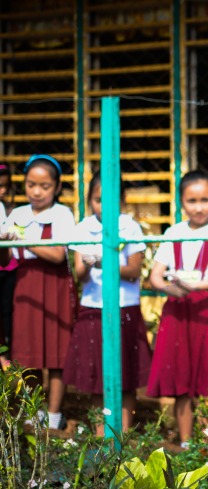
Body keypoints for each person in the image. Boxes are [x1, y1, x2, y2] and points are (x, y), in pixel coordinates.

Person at [146, 170, 208, 447]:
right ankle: (186, 443)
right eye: (192, 200)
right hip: (177, 310)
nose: (198, 207)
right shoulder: (174, 232)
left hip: (207, 310)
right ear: (181, 202)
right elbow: (155, 275)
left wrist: (201, 285)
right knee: (181, 378)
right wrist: (169, 287)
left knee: (207, 380)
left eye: (205, 200)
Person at [63, 173, 151, 433]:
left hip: (125, 306)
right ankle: (103, 438)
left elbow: (134, 270)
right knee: (96, 376)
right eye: (99, 200)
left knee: (126, 375)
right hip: (93, 306)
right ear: (90, 201)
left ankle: (122, 436)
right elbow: (78, 274)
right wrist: (88, 263)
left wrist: (105, 262)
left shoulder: (129, 226)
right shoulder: (83, 228)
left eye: (111, 200)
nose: (104, 206)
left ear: (122, 200)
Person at [0, 154, 78, 430]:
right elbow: (6, 258)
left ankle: (55, 416)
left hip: (54, 285)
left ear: (57, 187)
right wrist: (5, 242)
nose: (36, 191)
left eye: (44, 186)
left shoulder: (62, 214)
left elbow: (58, 255)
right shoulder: (17, 214)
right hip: (26, 286)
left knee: (56, 354)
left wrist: (23, 238)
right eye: (31, 184)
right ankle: (35, 413)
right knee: (28, 355)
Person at [0, 164, 17, 370]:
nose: (2, 190)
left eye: (5, 186)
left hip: (7, 269)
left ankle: (7, 356)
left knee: (7, 314)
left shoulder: (8, 211)